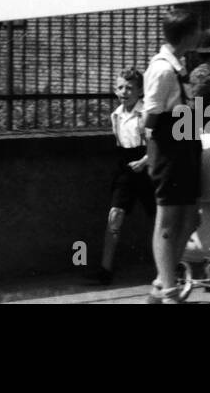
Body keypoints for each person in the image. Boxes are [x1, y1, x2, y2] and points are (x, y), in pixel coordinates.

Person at [142, 8, 203, 304]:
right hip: (169, 147)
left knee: (190, 218)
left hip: (185, 144)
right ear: (188, 34)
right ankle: (168, 289)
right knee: (168, 218)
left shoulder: (177, 65)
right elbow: (150, 116)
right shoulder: (163, 69)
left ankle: (161, 280)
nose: (200, 35)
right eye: (197, 30)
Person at [87, 68, 154, 285]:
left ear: (140, 91)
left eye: (130, 88)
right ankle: (105, 270)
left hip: (147, 170)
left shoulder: (145, 115)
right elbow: (119, 146)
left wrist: (143, 162)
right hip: (126, 170)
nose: (124, 92)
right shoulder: (115, 116)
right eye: (120, 87)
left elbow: (155, 147)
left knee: (158, 220)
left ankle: (170, 268)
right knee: (114, 216)